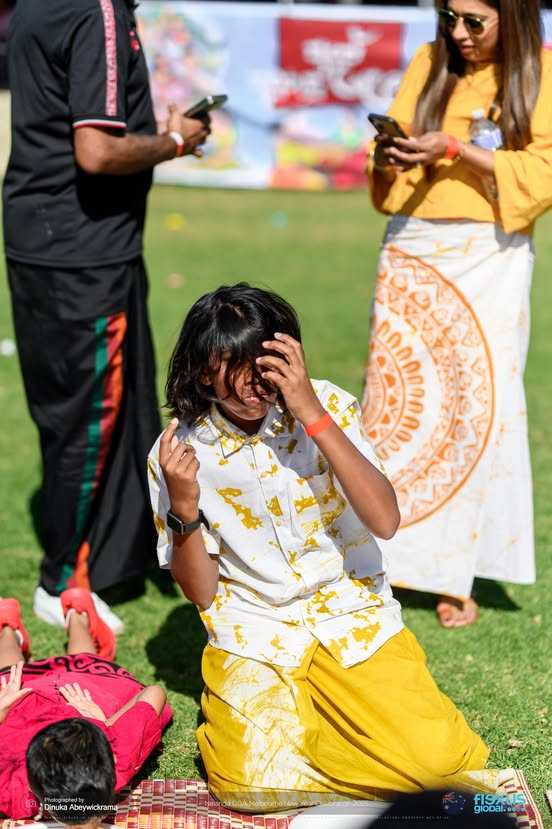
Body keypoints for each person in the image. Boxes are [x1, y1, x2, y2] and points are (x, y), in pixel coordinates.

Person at [147, 283, 505, 813]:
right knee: (252, 785)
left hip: (350, 614)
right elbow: (201, 593)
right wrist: (184, 507)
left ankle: (324, 736)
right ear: (204, 372)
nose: (257, 381)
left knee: (443, 766)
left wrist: (312, 411)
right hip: (256, 629)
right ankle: (318, 733)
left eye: (268, 361)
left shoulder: (327, 402)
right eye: (237, 366)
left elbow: (384, 520)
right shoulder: (177, 451)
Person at [1, 0, 211, 633]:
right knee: (90, 418)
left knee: (82, 412)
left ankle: (111, 556)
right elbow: (94, 151)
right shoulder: (97, 10)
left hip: (48, 242)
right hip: (81, 255)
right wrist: (177, 140)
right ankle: (64, 578)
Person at [361, 0, 551, 627]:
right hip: (412, 246)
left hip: (490, 256)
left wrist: (452, 148)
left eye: (475, 21)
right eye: (450, 18)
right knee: (395, 406)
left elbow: (542, 173)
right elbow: (381, 159)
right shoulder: (428, 61)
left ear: (514, 16)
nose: (458, 34)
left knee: (479, 408)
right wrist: (389, 154)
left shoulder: (540, 70)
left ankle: (456, 573)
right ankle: (382, 559)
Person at [0, 590, 172, 820]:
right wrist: (102, 722)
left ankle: (15, 627)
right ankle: (72, 616)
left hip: (22, 709)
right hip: (79, 695)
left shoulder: (13, 794)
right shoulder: (116, 758)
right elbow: (154, 692)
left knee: (10, 679)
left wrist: (1, 710)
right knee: (79, 665)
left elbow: (154, 694)